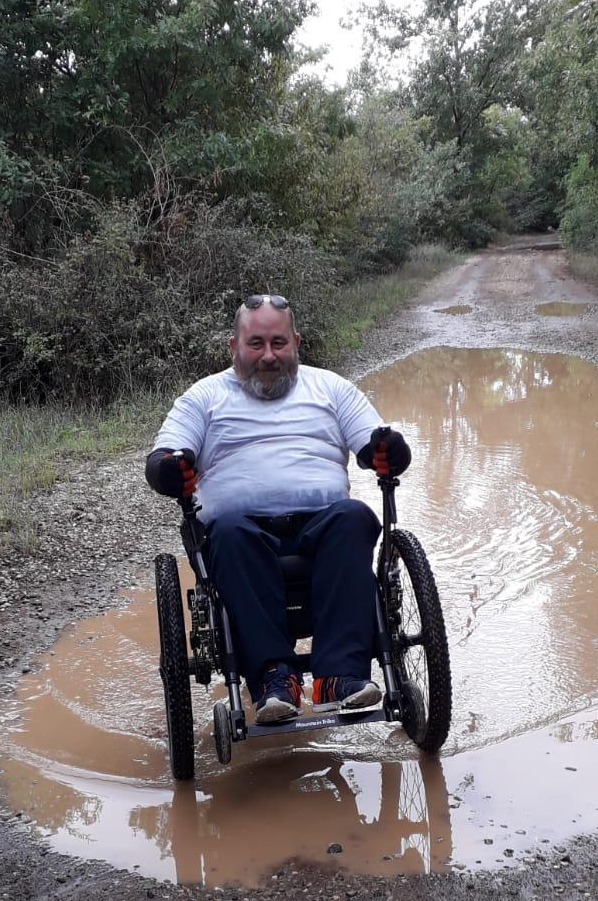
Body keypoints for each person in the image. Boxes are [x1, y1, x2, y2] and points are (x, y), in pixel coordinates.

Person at [145, 293, 411, 724]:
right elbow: (165, 455)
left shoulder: (331, 388)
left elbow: (374, 442)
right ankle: (275, 679)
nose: (268, 355)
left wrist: (389, 449)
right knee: (228, 533)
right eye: (256, 344)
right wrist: (170, 469)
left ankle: (338, 678)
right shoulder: (204, 397)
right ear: (234, 346)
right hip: (242, 533)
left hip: (323, 526)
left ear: (296, 342)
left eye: (278, 343)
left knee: (356, 516)